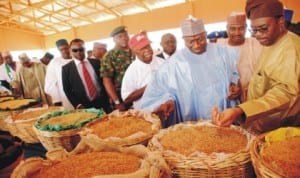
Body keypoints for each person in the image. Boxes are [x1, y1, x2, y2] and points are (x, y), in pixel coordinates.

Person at [212, 0, 300, 134]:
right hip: (260, 119)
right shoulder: (270, 41)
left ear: (281, 21)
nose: (258, 35)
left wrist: (240, 110)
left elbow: (284, 93)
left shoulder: (290, 48)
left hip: (277, 125)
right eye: (254, 30)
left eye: (263, 28)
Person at [140, 16, 240, 127]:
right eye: (190, 41)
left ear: (205, 34)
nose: (196, 45)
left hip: (222, 117)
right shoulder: (173, 64)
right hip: (191, 121)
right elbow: (156, 92)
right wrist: (168, 101)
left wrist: (235, 85)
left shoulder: (223, 53)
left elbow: (235, 74)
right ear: (183, 40)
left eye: (200, 39)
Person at [217, 12, 262, 102]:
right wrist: (229, 86)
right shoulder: (220, 45)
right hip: (229, 96)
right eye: (233, 29)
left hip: (253, 95)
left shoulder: (256, 43)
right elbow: (216, 72)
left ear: (246, 28)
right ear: (227, 29)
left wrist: (251, 85)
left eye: (241, 28)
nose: (237, 33)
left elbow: (262, 71)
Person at [62, 38, 111, 112]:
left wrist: (110, 97)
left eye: (81, 49)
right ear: (70, 51)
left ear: (85, 49)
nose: (78, 52)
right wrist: (78, 105)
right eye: (75, 50)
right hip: (84, 106)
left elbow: (105, 81)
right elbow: (67, 89)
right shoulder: (66, 69)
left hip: (103, 101)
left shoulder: (96, 63)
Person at [121, 32, 164, 109]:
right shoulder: (132, 70)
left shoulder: (163, 63)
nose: (147, 50)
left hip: (168, 109)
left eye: (148, 46)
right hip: (147, 114)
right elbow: (127, 98)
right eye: (142, 48)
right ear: (134, 51)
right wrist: (150, 86)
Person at [100, 26, 134, 111]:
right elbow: (107, 82)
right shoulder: (110, 56)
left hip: (138, 94)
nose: (124, 38)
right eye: (120, 36)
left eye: (126, 35)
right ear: (114, 40)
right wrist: (117, 102)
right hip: (121, 98)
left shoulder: (135, 51)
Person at [44, 39, 73, 109]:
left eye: (66, 48)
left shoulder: (76, 58)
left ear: (69, 47)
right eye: (61, 50)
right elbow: (50, 83)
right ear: (58, 50)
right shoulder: (54, 63)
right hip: (65, 97)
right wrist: (57, 100)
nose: (65, 51)